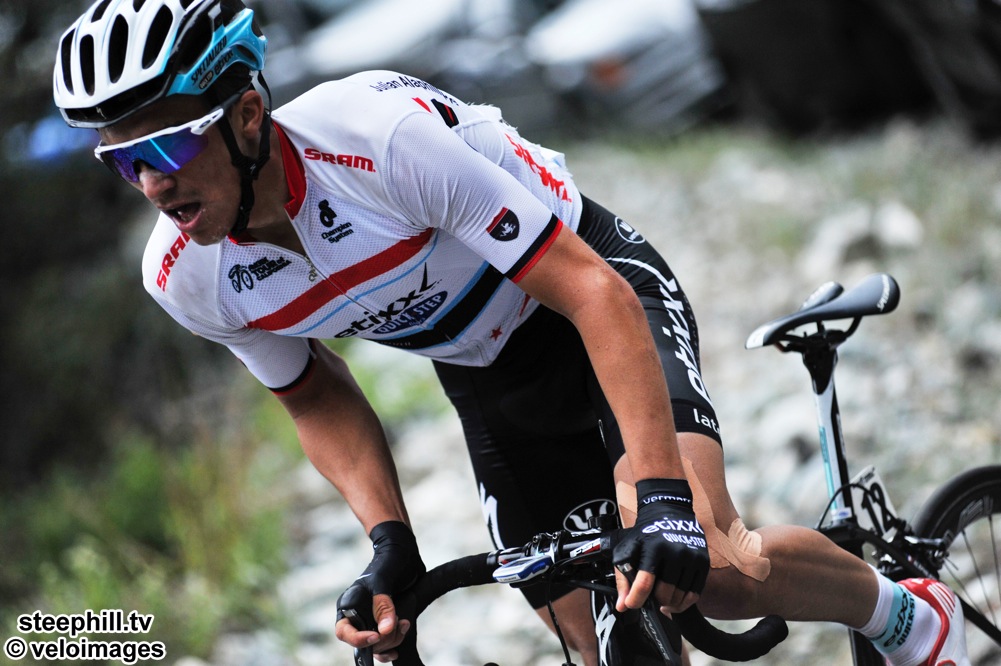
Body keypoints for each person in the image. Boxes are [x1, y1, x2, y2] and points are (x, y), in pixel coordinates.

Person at [53, 1, 970, 665]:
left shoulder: (377, 143)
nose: (152, 186)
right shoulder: (185, 277)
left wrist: (658, 495)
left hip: (588, 296)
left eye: (166, 148)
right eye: (123, 163)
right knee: (584, 632)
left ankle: (912, 618)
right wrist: (387, 540)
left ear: (248, 116)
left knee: (710, 561)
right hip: (485, 369)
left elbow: (590, 293)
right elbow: (314, 394)